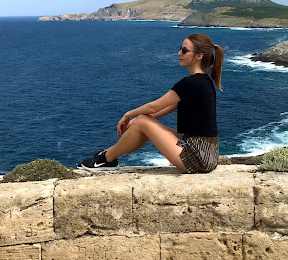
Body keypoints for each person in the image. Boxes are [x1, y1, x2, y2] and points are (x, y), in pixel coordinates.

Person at [77, 33, 224, 174]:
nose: (179, 53)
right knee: (142, 121)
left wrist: (128, 114)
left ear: (199, 56)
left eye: (184, 50)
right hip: (207, 154)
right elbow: (168, 108)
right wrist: (134, 122)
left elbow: (154, 106)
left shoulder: (191, 83)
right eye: (180, 49)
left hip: (197, 158)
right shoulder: (204, 82)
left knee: (142, 120)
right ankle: (107, 156)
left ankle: (105, 158)